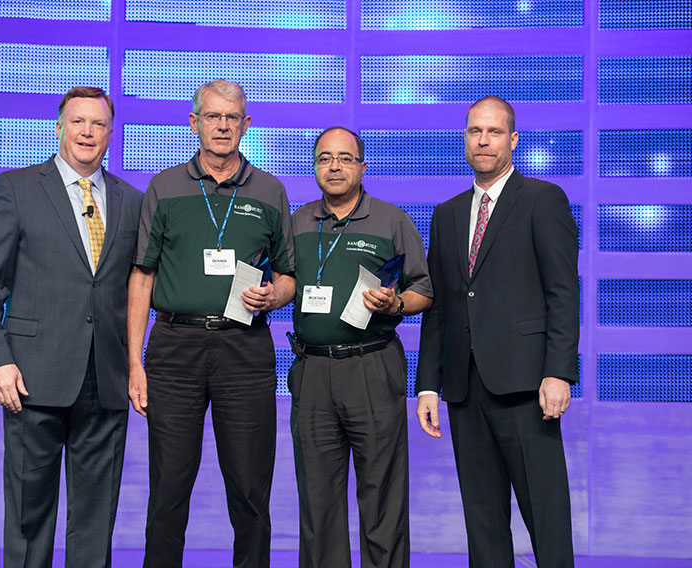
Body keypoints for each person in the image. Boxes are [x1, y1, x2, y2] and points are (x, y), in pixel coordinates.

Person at [0, 86, 143, 567]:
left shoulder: (132, 200)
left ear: (111, 133)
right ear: (59, 126)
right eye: (78, 122)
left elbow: (137, 286)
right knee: (29, 517)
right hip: (31, 377)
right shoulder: (17, 187)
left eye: (98, 124)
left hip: (105, 381)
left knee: (95, 518)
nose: (88, 132)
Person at [126, 79, 296, 568]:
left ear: (246, 124)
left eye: (232, 117)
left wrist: (272, 296)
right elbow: (142, 277)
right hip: (173, 350)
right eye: (213, 116)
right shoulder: (164, 187)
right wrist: (134, 364)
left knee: (249, 490)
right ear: (194, 122)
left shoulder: (269, 191)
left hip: (243, 350)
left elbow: (287, 276)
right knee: (169, 489)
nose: (223, 125)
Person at [416, 96, 579, 567]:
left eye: (493, 132)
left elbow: (563, 293)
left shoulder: (542, 199)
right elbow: (441, 307)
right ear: (465, 139)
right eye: (474, 132)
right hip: (466, 390)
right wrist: (429, 384)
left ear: (512, 139)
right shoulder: (446, 214)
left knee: (547, 520)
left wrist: (558, 372)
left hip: (528, 386)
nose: (483, 141)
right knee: (482, 525)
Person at [288, 127, 433, 567]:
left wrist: (396, 303)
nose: (334, 167)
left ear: (362, 167)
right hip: (312, 371)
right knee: (318, 501)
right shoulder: (297, 221)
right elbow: (281, 279)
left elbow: (424, 289)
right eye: (325, 159)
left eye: (345, 159)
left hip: (372, 365)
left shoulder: (392, 220)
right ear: (315, 167)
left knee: (382, 496)